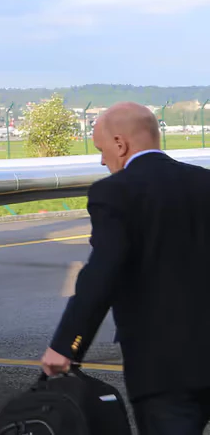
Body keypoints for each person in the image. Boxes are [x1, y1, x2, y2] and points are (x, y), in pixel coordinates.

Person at [40, 101, 210, 433]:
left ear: (120, 144)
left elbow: (102, 274)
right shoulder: (205, 182)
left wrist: (66, 345)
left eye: (102, 150)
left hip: (163, 371)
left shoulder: (115, 192)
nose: (103, 160)